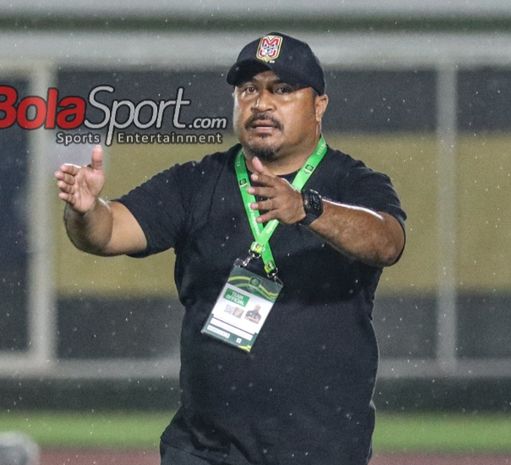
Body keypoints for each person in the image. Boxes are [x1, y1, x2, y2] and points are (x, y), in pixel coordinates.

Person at [55, 32, 406, 465]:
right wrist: (85, 210)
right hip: (207, 449)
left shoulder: (353, 183)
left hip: (321, 447)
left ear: (319, 105)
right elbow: (108, 233)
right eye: (248, 90)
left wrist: (308, 209)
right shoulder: (195, 183)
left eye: (282, 89)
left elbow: (387, 242)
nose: (261, 103)